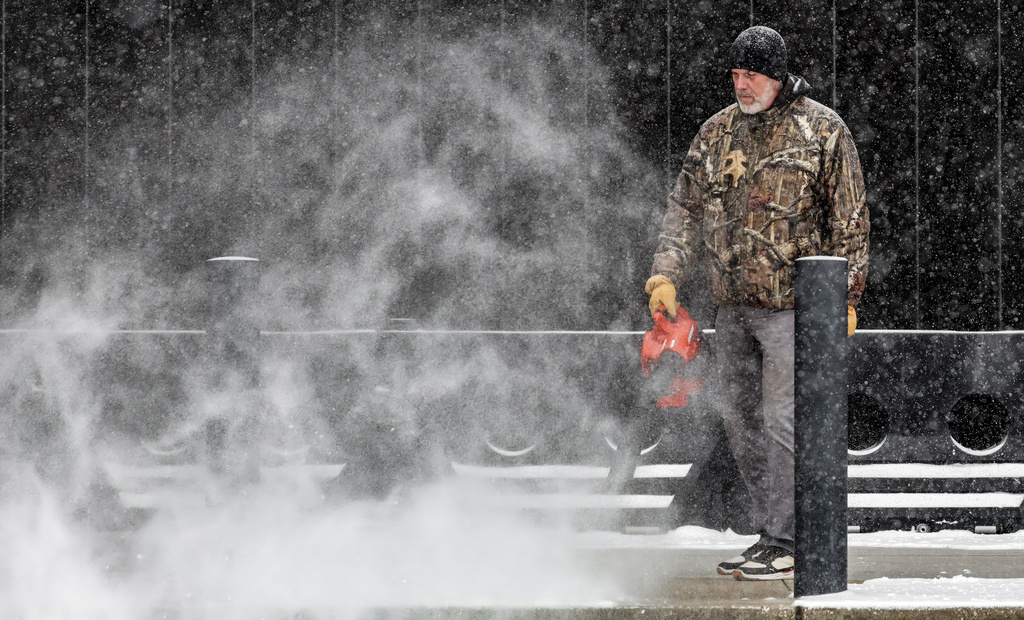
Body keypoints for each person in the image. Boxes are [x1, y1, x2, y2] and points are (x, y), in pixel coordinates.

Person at [645, 25, 869, 581]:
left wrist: (844, 299)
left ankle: (791, 537)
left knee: (780, 418)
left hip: (793, 309)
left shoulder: (822, 130)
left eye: (751, 74)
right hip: (733, 308)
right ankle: (773, 535)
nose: (741, 85)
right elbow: (684, 210)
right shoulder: (717, 132)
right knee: (742, 420)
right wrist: (665, 277)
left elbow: (850, 222)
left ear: (776, 75)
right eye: (736, 74)